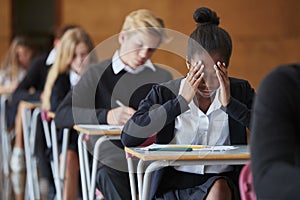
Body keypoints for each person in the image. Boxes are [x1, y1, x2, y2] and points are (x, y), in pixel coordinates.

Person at [121, 7, 255, 200]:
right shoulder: (164, 92)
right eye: (199, 73)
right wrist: (179, 102)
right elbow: (128, 136)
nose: (207, 83)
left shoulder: (240, 92)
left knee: (218, 188)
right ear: (187, 64)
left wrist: (231, 104)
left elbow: (270, 131)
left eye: (214, 75)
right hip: (172, 185)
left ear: (225, 68)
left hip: (221, 184)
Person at [54, 9, 173, 199]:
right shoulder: (96, 73)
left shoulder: (162, 77)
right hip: (112, 160)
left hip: (153, 157)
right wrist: (107, 116)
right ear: (123, 37)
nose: (144, 54)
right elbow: (62, 114)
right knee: (109, 175)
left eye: (151, 49)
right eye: (139, 45)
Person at [7, 24, 78, 199]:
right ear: (57, 43)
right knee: (38, 121)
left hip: (67, 121)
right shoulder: (42, 64)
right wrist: (42, 96)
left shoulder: (82, 70)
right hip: (43, 116)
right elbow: (18, 94)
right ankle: (46, 175)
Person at [41, 27, 96, 200]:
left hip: (93, 138)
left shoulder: (98, 77)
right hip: (66, 141)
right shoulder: (61, 80)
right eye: (75, 55)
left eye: (84, 54)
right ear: (67, 57)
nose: (80, 60)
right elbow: (59, 112)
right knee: (70, 158)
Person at [250, 64, 300, 199]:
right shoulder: (285, 85)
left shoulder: (239, 89)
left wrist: (230, 103)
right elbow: (268, 178)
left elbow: (249, 122)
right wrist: (185, 101)